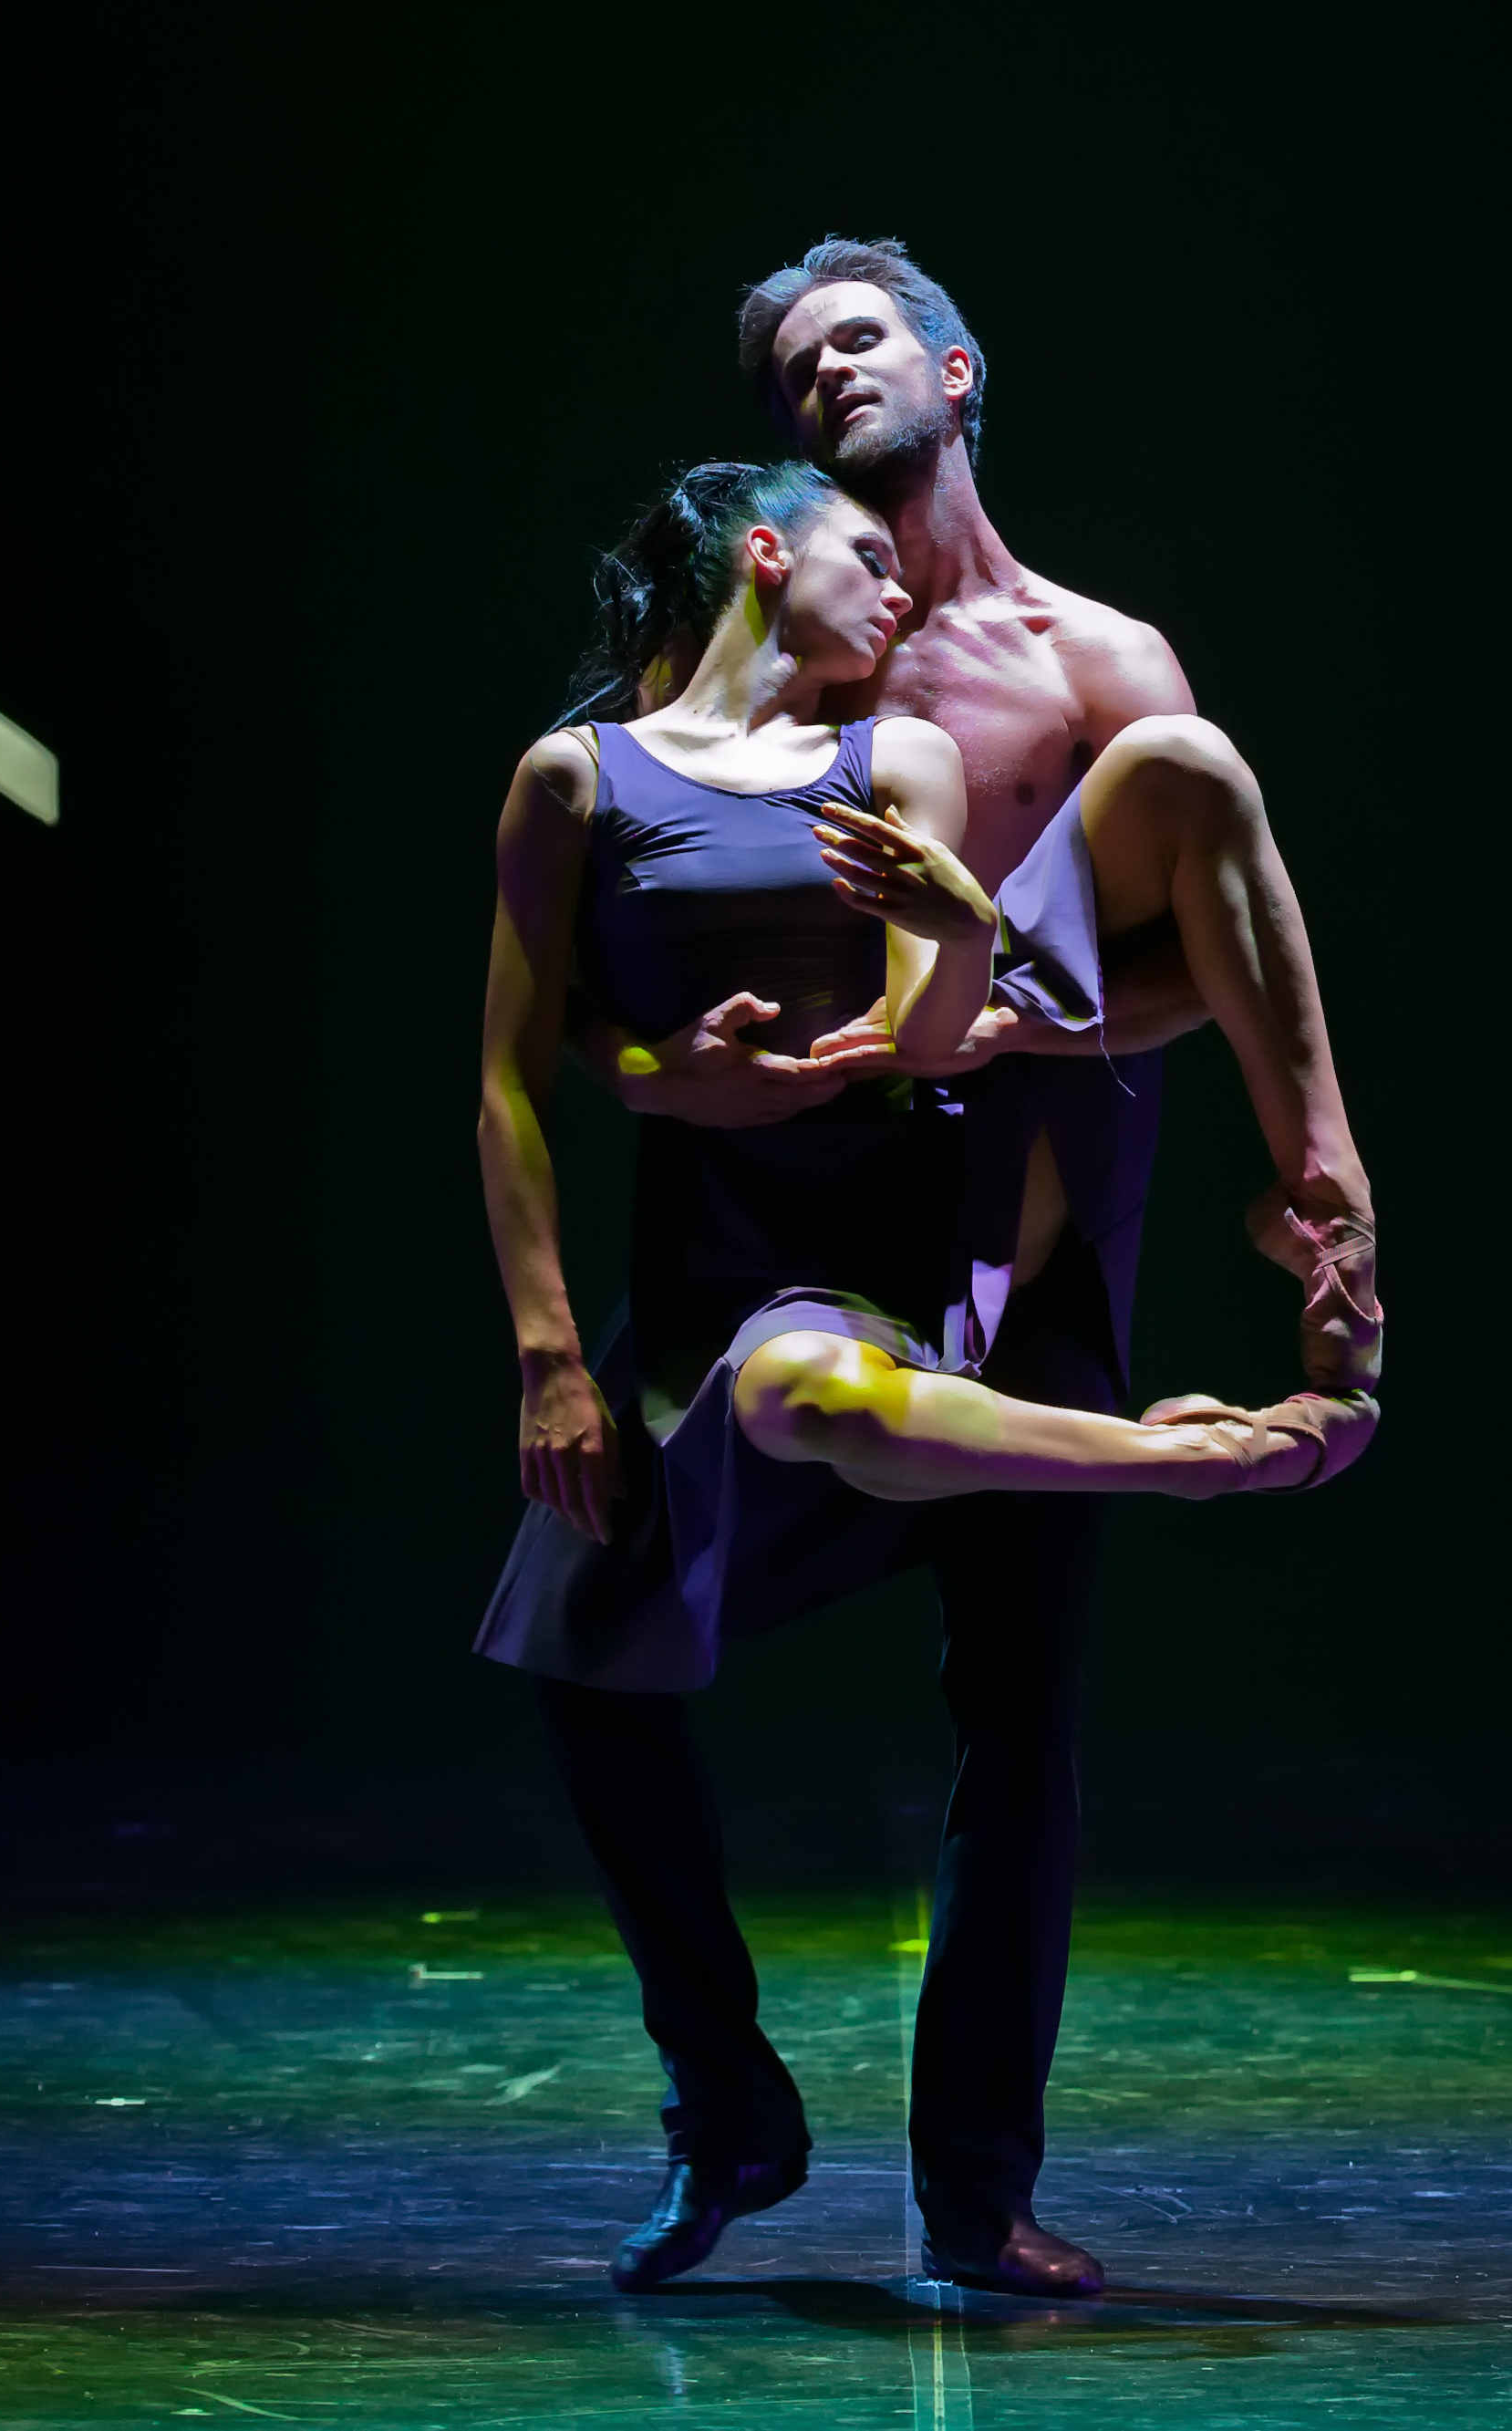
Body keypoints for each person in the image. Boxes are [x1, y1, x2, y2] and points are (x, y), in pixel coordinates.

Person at [485, 244, 1383, 2302]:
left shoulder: (1088, 659)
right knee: (582, 1650)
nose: (820, 377)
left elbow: (1196, 954)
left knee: (1024, 1702)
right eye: (789, 368)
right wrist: (667, 1090)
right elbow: (590, 987)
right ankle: (732, 2109)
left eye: (854, 340)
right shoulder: (778, 648)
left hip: (1024, 1195)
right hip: (769, 1211)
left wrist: (1023, 1023)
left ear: (959, 370)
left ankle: (977, 2188)